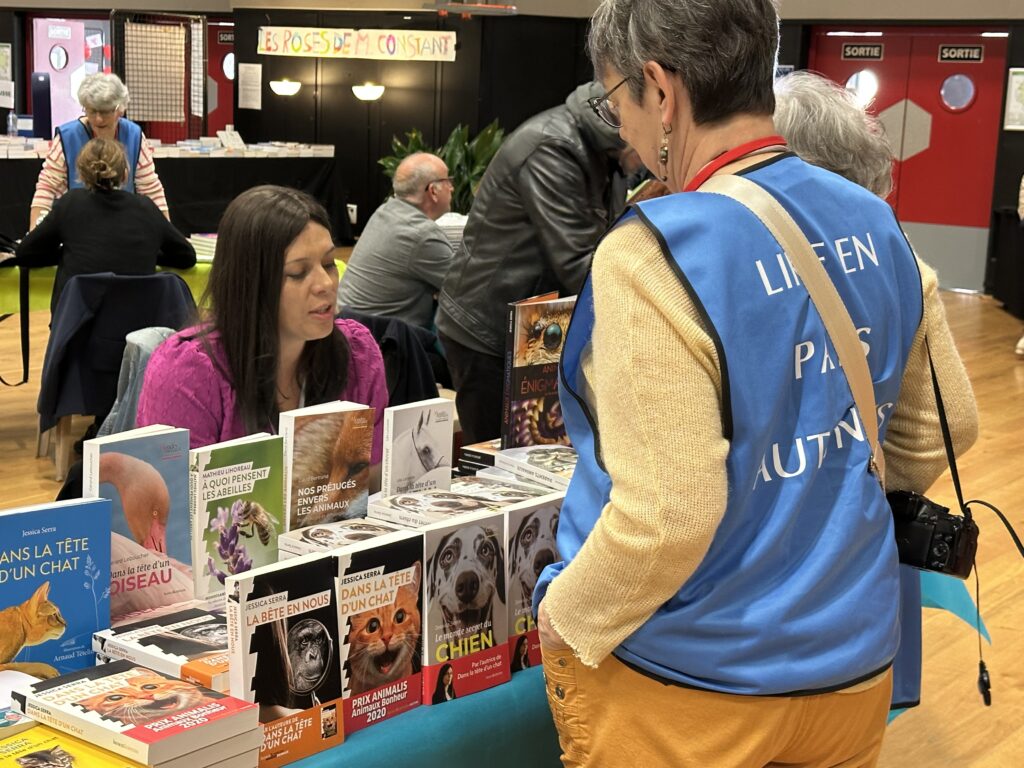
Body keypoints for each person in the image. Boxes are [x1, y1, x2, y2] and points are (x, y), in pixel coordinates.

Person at [533, 2, 979, 767]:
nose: (623, 133)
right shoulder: (874, 219)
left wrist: (564, 621)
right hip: (852, 658)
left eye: (617, 103)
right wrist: (824, 503)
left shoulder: (655, 252)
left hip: (693, 682)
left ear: (660, 91)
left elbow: (669, 517)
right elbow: (948, 423)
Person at [136, 186, 388, 490]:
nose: (325, 284)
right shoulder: (187, 375)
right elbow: (173, 513)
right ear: (251, 285)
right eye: (298, 272)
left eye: (329, 264)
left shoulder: (357, 353)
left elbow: (374, 481)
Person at [435, 81, 628, 443]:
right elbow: (579, 262)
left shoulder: (607, 153)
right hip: (487, 328)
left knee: (534, 453)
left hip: (536, 326)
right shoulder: (554, 146)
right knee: (494, 460)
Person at [14, 138, 195, 314]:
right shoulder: (146, 207)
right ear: (125, 173)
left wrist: (64, 254)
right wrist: (148, 253)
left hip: (75, 332)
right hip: (135, 332)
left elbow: (26, 252)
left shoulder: (70, 204)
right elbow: (186, 256)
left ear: (81, 174)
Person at [30, 72, 168, 230]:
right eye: (92, 111)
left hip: (121, 225)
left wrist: (167, 235)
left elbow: (151, 188)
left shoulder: (134, 136)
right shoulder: (67, 137)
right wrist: (34, 233)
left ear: (120, 109)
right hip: (75, 226)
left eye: (105, 111)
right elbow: (47, 188)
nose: (98, 119)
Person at [337, 152, 454, 330]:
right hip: (385, 342)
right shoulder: (423, 235)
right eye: (448, 181)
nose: (452, 188)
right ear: (433, 191)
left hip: (351, 329)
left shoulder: (385, 211)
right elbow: (465, 288)